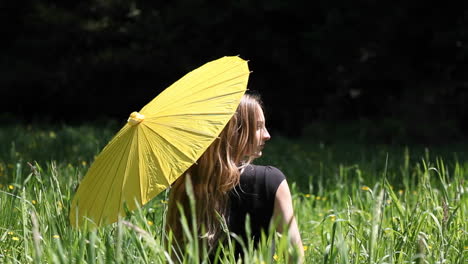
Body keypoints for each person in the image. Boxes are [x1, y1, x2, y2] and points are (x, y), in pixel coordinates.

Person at [165, 93, 303, 262]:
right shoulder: (270, 181)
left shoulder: (185, 184)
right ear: (234, 131)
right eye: (258, 127)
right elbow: (294, 256)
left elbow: (173, 255)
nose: (267, 135)